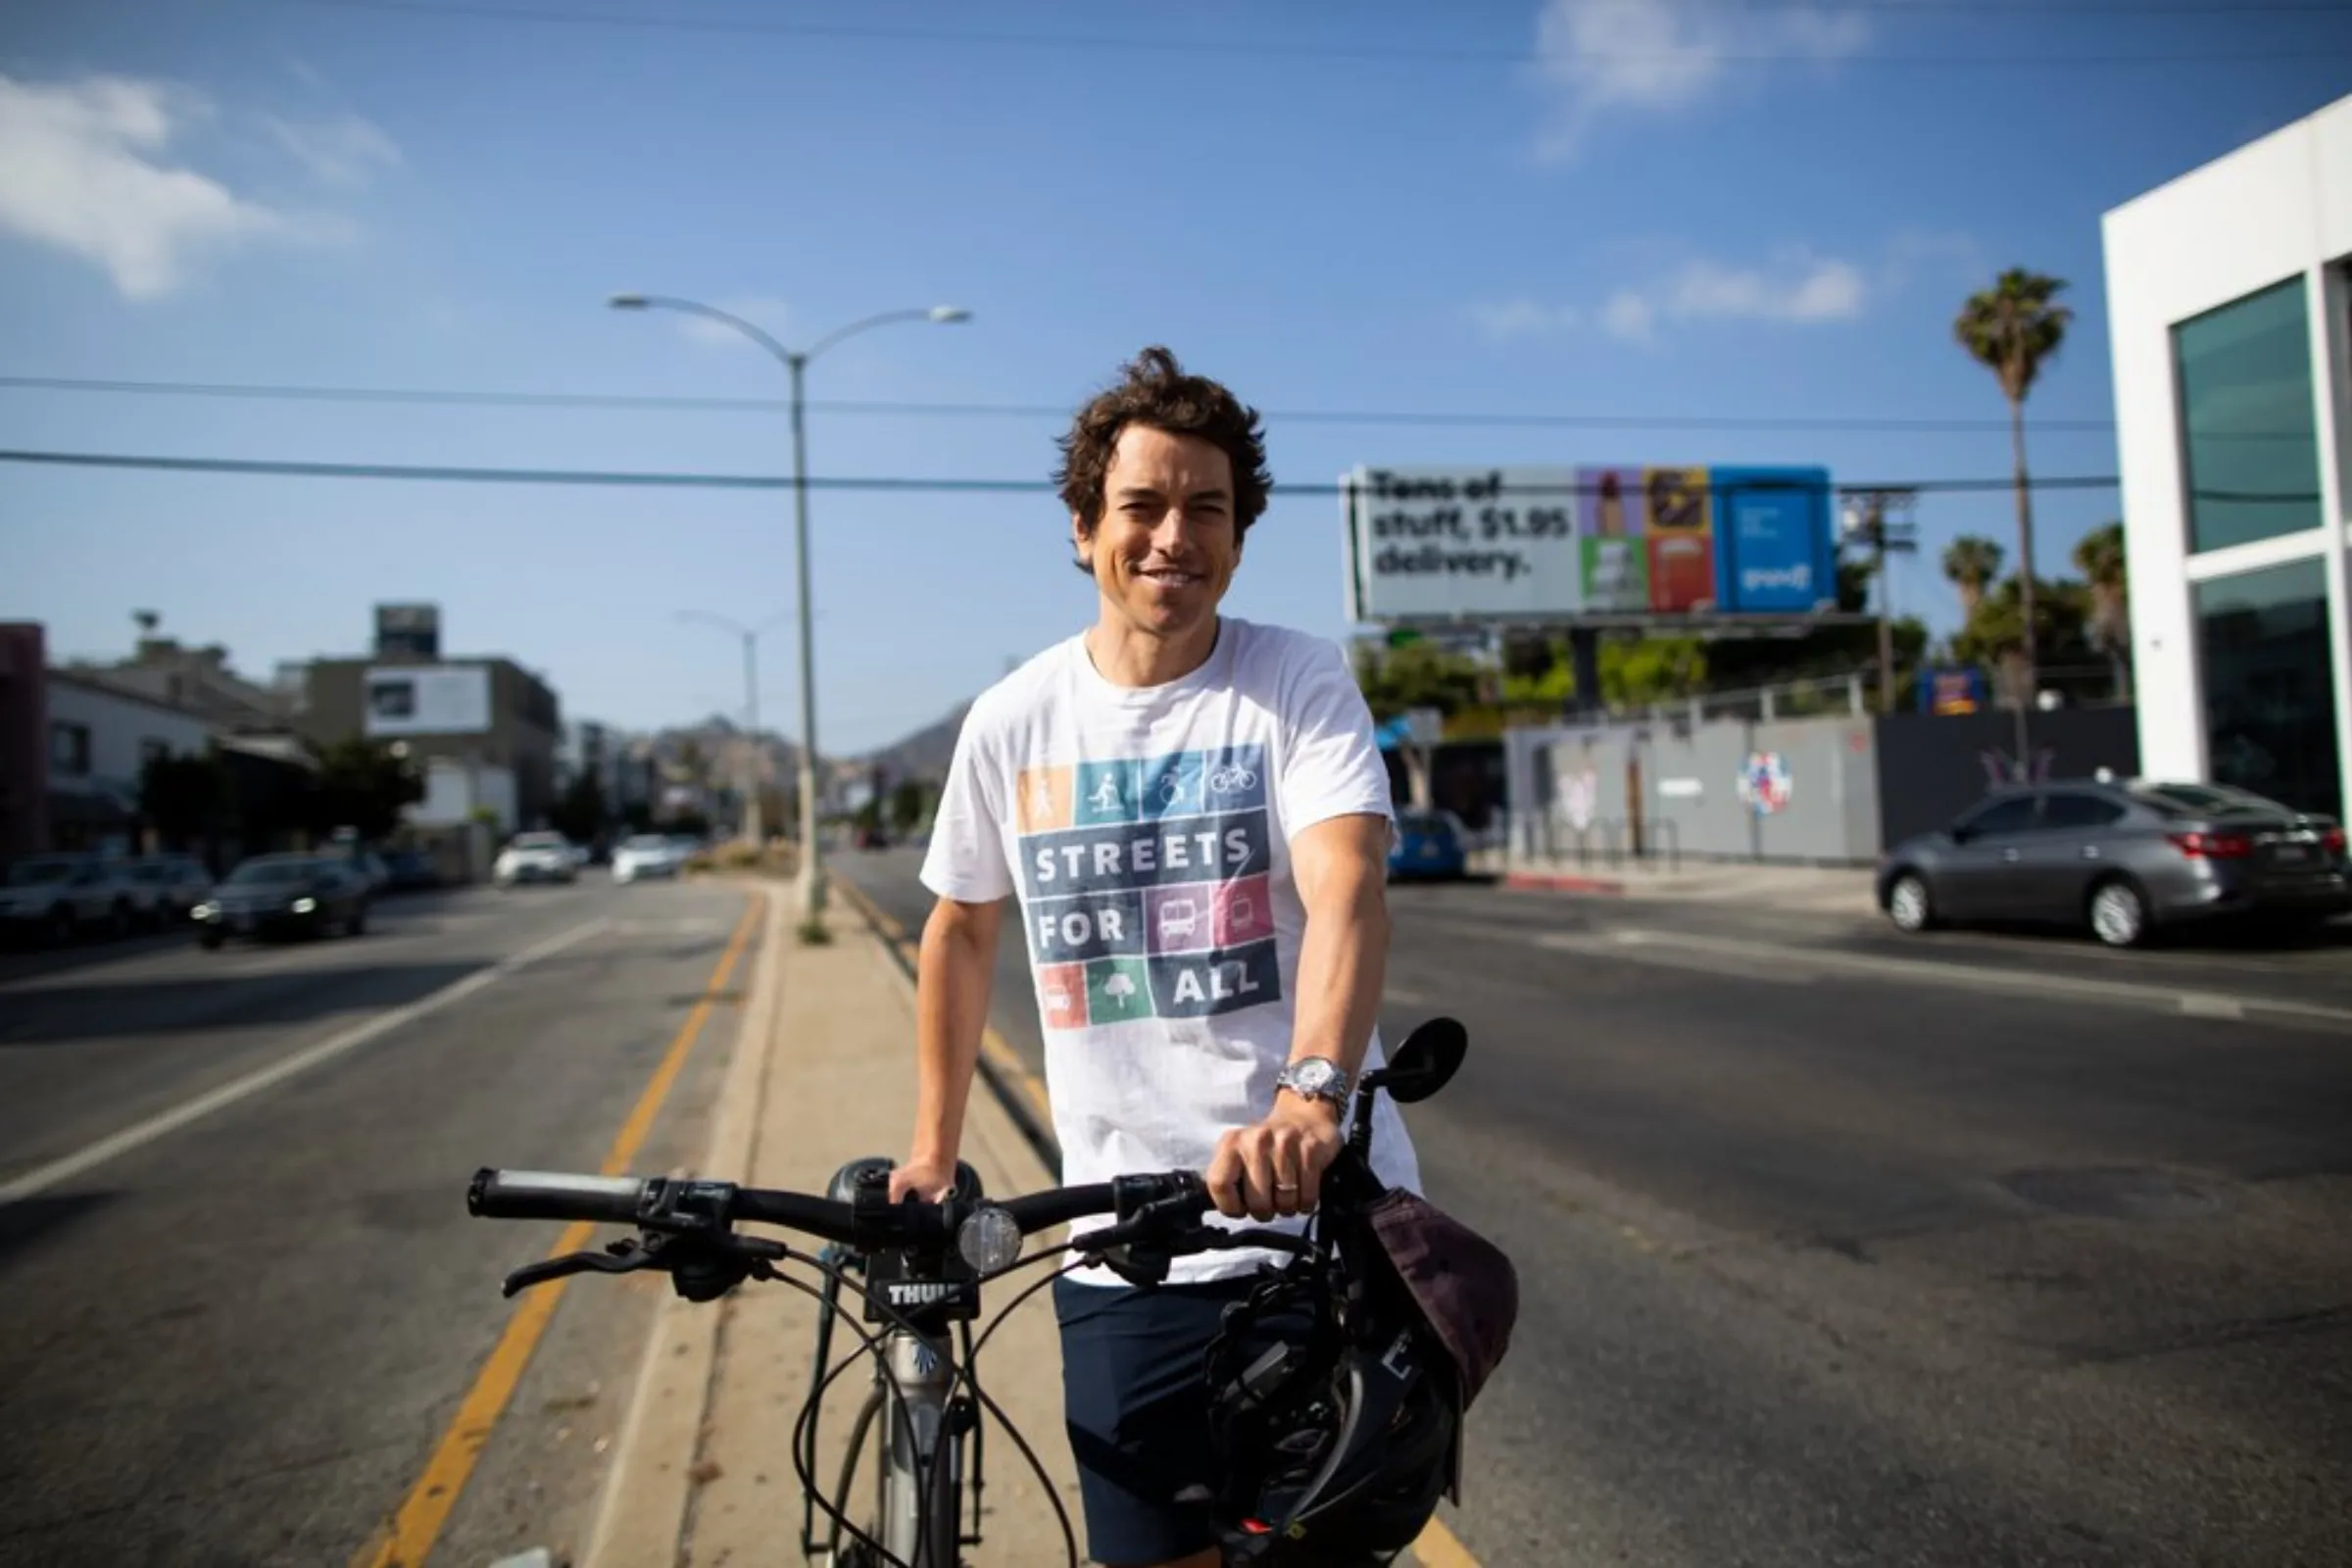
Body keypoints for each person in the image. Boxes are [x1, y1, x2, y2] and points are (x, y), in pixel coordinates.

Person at [891, 344, 1421, 1568]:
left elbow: (1349, 889)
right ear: (1085, 527)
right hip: (1123, 1248)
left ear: (1239, 536)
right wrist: (934, 1145)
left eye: (1208, 508)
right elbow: (964, 925)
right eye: (1142, 505)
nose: (1173, 535)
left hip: (1317, 1230)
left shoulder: (1292, 681)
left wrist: (1312, 1097)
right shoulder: (1014, 718)